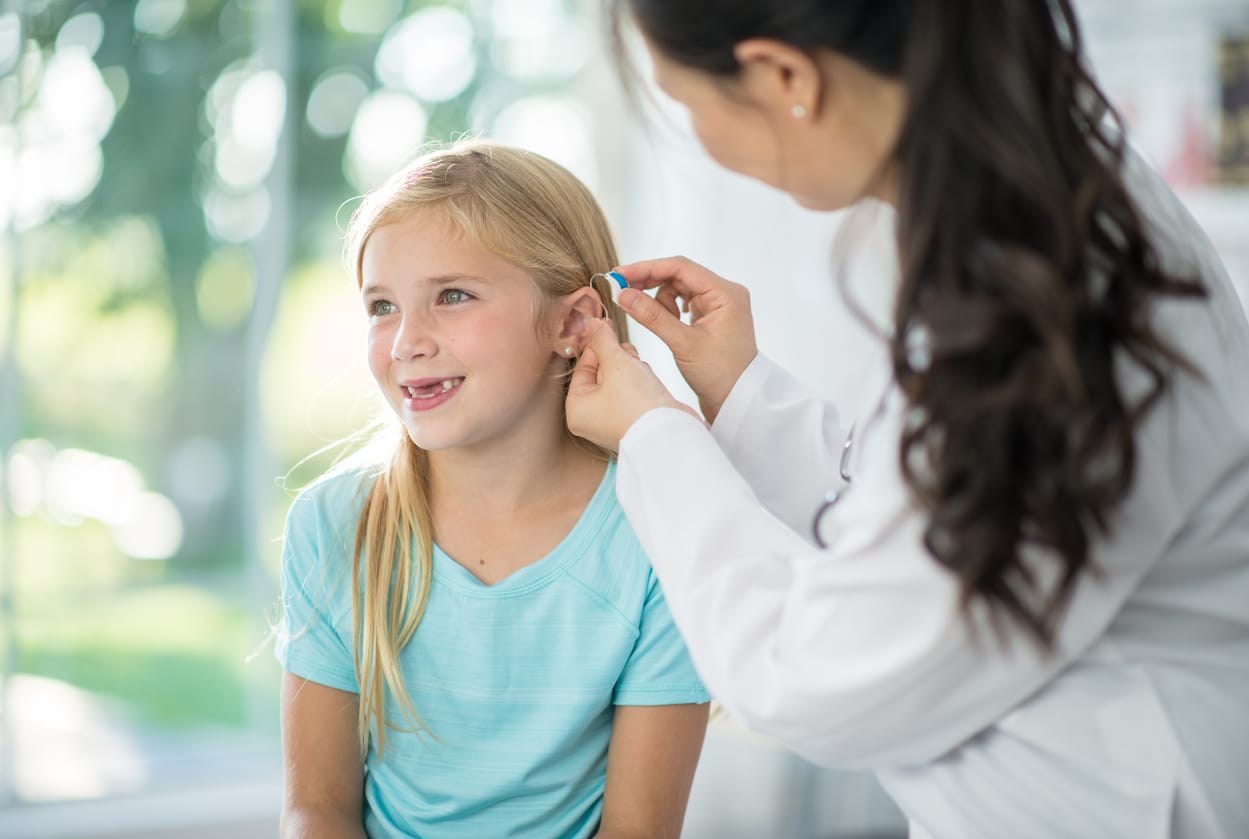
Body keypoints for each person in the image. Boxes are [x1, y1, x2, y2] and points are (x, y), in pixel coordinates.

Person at [565, 1, 1249, 837]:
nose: (699, 137)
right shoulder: (1030, 212)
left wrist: (655, 437)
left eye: (685, 103)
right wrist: (738, 392)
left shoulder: (1038, 300)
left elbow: (814, 675)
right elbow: (927, 526)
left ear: (786, 77)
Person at [274, 140, 710, 839]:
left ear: (570, 323)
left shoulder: (659, 530)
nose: (406, 340)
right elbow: (316, 811)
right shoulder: (335, 524)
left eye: (452, 296)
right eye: (381, 305)